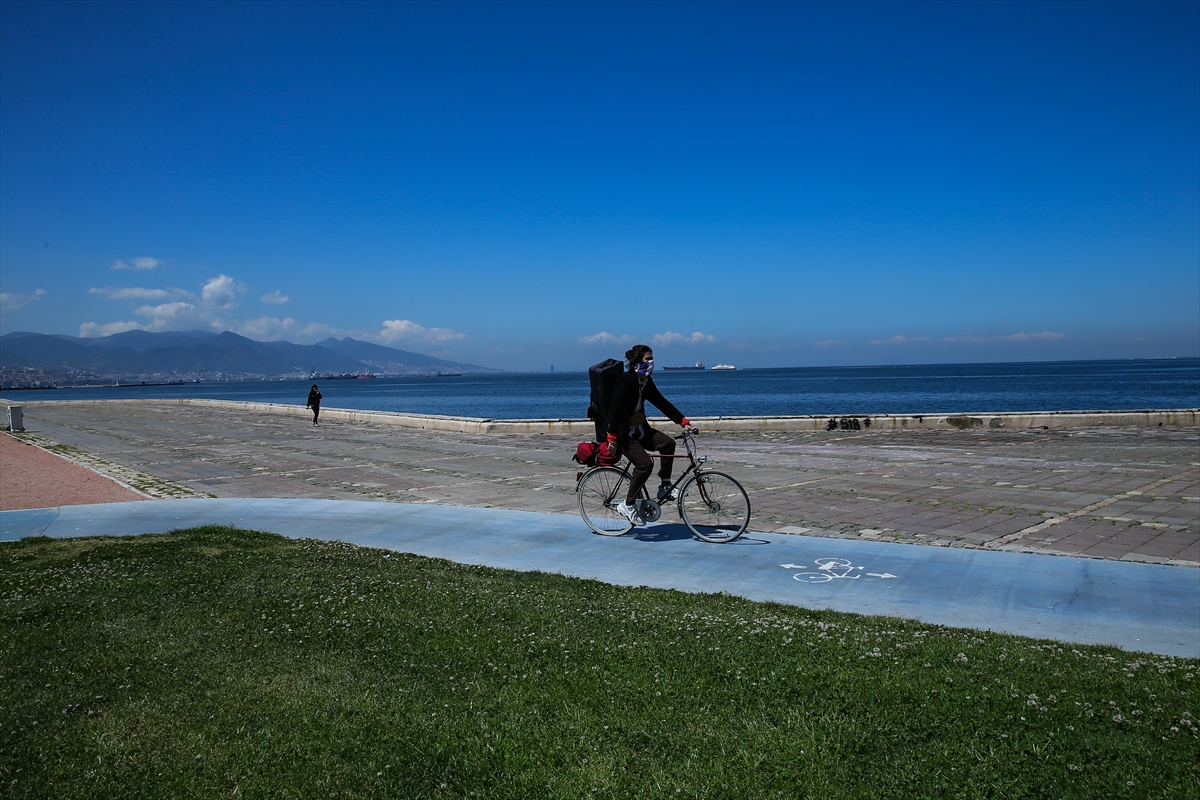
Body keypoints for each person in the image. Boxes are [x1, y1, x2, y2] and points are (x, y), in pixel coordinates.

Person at [603, 344, 695, 525]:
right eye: (647, 359)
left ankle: (665, 485)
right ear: (637, 362)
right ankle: (628, 504)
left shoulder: (645, 382)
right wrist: (612, 438)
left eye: (652, 359)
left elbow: (662, 403)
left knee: (668, 444)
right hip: (623, 434)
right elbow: (613, 409)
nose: (651, 363)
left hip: (640, 430)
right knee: (645, 464)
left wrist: (683, 422)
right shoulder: (625, 379)